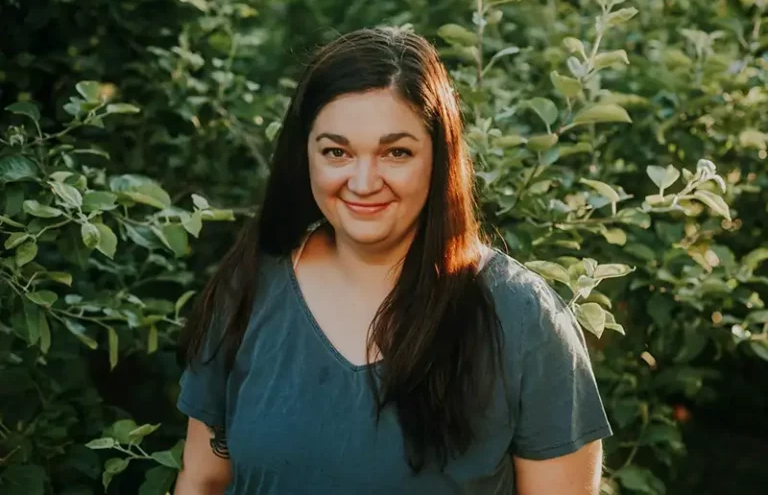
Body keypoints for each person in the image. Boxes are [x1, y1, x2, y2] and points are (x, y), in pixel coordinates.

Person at [174, 26, 612, 495]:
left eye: (395, 152)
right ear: (305, 156)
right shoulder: (249, 288)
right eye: (337, 152)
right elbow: (202, 480)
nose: (363, 182)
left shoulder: (523, 318)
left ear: (438, 158)